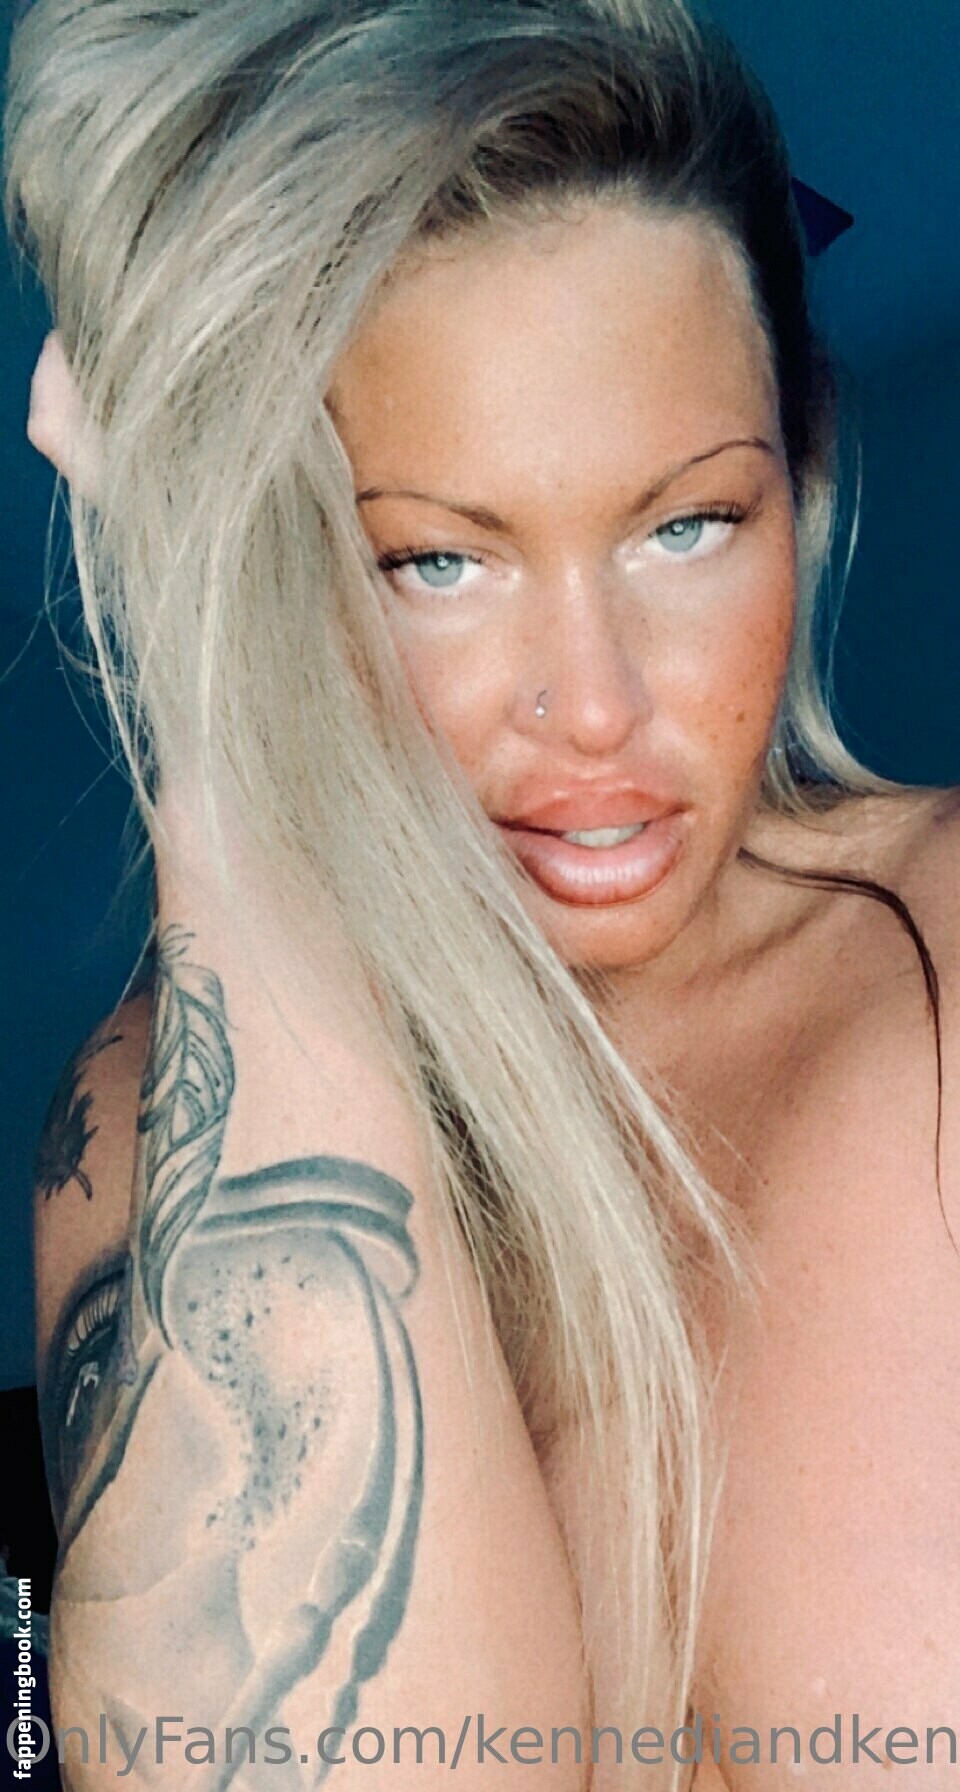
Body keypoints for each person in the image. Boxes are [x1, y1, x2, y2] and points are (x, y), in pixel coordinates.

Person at [7, 0, 960, 1785]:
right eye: (432, 560)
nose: (592, 705)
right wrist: (236, 769)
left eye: (688, 526)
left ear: (803, 469)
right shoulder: (154, 1121)